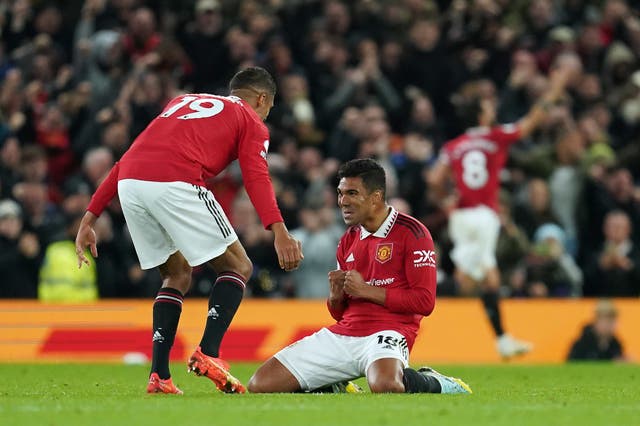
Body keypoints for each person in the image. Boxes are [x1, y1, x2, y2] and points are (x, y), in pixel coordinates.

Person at [75, 67, 304, 394]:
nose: (267, 114)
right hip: (175, 181)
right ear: (263, 98)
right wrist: (278, 230)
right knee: (238, 265)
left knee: (177, 273)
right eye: (269, 107)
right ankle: (208, 353)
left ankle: (159, 376)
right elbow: (256, 177)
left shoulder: (183, 101)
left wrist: (90, 217)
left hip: (131, 184)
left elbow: (128, 157)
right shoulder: (252, 121)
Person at [248, 159, 471, 394]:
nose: (343, 201)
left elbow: (425, 302)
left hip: (389, 333)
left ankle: (438, 383)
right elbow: (339, 314)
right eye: (340, 193)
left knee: (385, 385)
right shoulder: (348, 240)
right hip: (345, 334)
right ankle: (335, 385)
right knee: (261, 385)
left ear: (375, 197)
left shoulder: (413, 232)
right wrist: (335, 297)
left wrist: (365, 290)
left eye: (352, 193)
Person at [428, 56, 581, 358]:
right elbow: (532, 121)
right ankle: (409, 310)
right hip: (484, 214)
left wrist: (447, 201)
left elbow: (434, 179)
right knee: (471, 280)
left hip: (460, 215)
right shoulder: (495, 137)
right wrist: (557, 87)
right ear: (481, 115)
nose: (492, 109)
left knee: (484, 276)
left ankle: (501, 340)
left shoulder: (453, 146)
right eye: (488, 107)